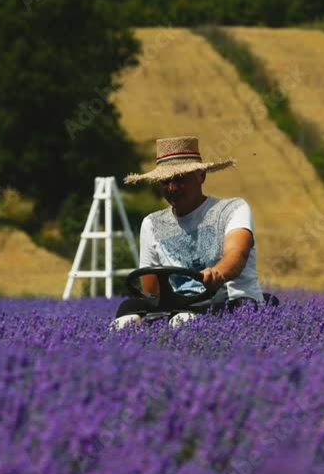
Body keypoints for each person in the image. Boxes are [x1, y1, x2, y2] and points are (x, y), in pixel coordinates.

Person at [112, 136, 264, 329]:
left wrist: (217, 273)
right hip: (181, 308)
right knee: (129, 310)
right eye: (165, 182)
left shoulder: (232, 209)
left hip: (231, 302)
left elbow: (237, 254)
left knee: (189, 319)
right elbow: (151, 292)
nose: (172, 188)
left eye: (180, 179)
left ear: (201, 175)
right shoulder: (152, 223)